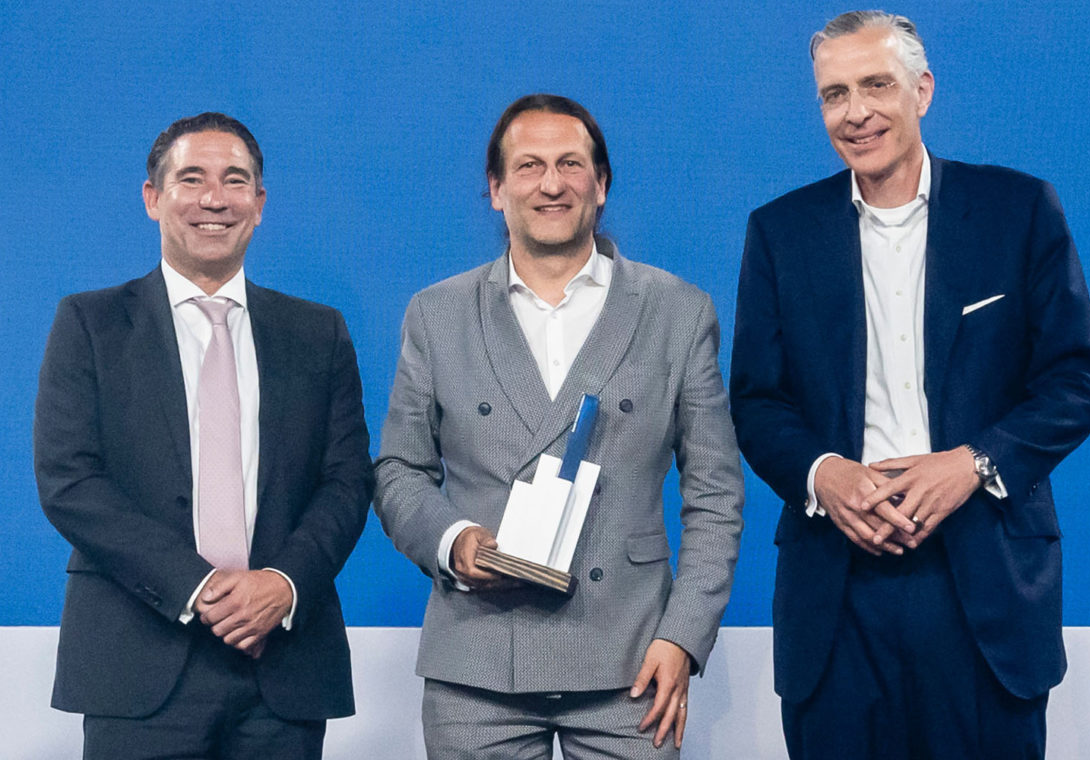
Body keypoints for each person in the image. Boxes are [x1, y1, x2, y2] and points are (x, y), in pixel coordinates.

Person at [729, 11, 1090, 759]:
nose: (856, 112)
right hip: (836, 589)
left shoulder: (1018, 210)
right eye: (835, 94)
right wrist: (823, 473)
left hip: (985, 580)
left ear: (922, 90)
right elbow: (757, 400)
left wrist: (972, 463)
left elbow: (1075, 379)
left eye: (876, 85)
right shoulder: (780, 231)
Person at [374, 93, 744, 759]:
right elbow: (399, 470)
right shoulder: (437, 314)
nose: (551, 184)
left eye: (571, 164)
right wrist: (454, 542)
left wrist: (683, 636)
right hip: (477, 661)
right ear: (496, 189)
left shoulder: (678, 311)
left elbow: (715, 494)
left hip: (633, 659)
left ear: (600, 185)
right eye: (529, 166)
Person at [34, 112, 373, 759]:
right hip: (136, 665)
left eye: (235, 180)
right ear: (153, 197)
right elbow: (69, 480)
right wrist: (201, 588)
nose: (215, 199)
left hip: (285, 667)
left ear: (259, 203)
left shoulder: (317, 332)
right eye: (191, 179)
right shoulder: (90, 324)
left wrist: (284, 583)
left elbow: (348, 480)